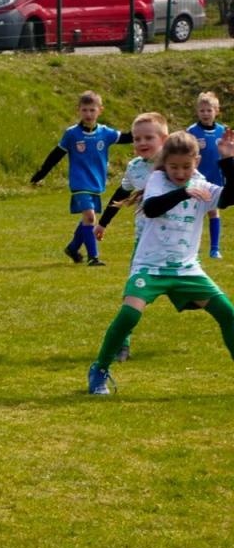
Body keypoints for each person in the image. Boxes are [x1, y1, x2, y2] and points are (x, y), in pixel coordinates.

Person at [87, 129, 234, 395]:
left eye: (186, 167)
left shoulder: (200, 184)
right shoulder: (157, 179)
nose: (179, 172)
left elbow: (229, 198)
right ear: (164, 163)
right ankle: (99, 369)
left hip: (186, 269)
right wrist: (184, 192)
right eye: (174, 167)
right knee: (129, 314)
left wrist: (227, 161)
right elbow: (153, 207)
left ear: (196, 163)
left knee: (228, 314)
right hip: (150, 267)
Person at [95, 112, 172, 363]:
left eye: (149, 137)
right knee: (133, 294)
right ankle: (122, 344)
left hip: (175, 243)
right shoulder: (135, 168)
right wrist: (103, 223)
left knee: (192, 297)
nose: (142, 143)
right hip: (145, 243)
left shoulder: (176, 164)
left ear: (164, 139)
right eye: (137, 138)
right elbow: (121, 194)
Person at [30, 90, 132, 266]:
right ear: (79, 110)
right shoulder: (72, 134)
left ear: (100, 110)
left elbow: (128, 137)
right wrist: (42, 172)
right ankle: (94, 257)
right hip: (79, 183)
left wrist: (149, 129)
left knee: (87, 219)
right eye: (84, 110)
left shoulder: (105, 133)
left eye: (92, 110)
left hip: (96, 182)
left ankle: (73, 247)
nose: (88, 114)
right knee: (91, 217)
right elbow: (56, 154)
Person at [186, 92, 228, 259]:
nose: (205, 114)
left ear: (216, 111)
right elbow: (185, 152)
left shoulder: (223, 131)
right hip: (196, 178)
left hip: (216, 178)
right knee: (192, 213)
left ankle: (214, 248)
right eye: (202, 110)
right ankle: (189, 249)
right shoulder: (192, 131)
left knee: (213, 212)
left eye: (209, 110)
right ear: (197, 112)